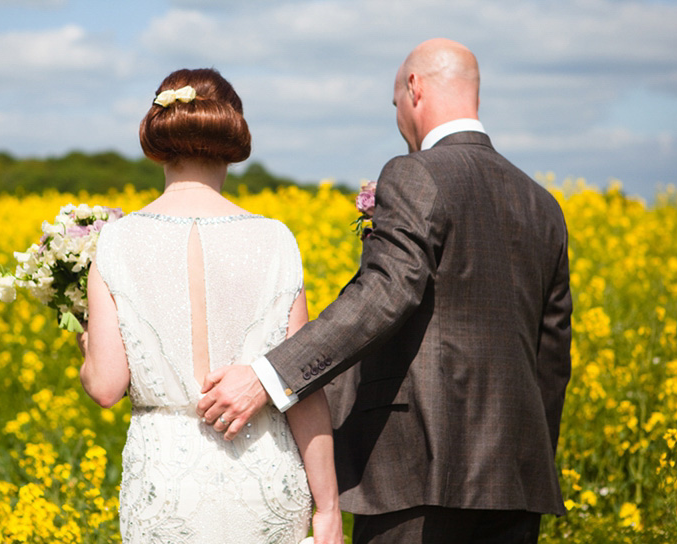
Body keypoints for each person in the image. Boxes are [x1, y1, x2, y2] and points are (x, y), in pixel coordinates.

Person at [198, 39, 573, 543]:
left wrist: (268, 377)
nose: (397, 113)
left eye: (394, 100)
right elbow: (552, 356)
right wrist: (527, 462)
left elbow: (386, 293)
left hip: (418, 473)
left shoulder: (414, 173)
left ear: (414, 89)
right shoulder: (543, 204)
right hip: (517, 481)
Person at [77, 68, 343, 544]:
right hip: (264, 473)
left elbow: (105, 386)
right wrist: (329, 507)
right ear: (232, 136)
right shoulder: (276, 240)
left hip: (166, 484)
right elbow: (303, 386)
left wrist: (87, 348)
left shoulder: (115, 242)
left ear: (159, 136)